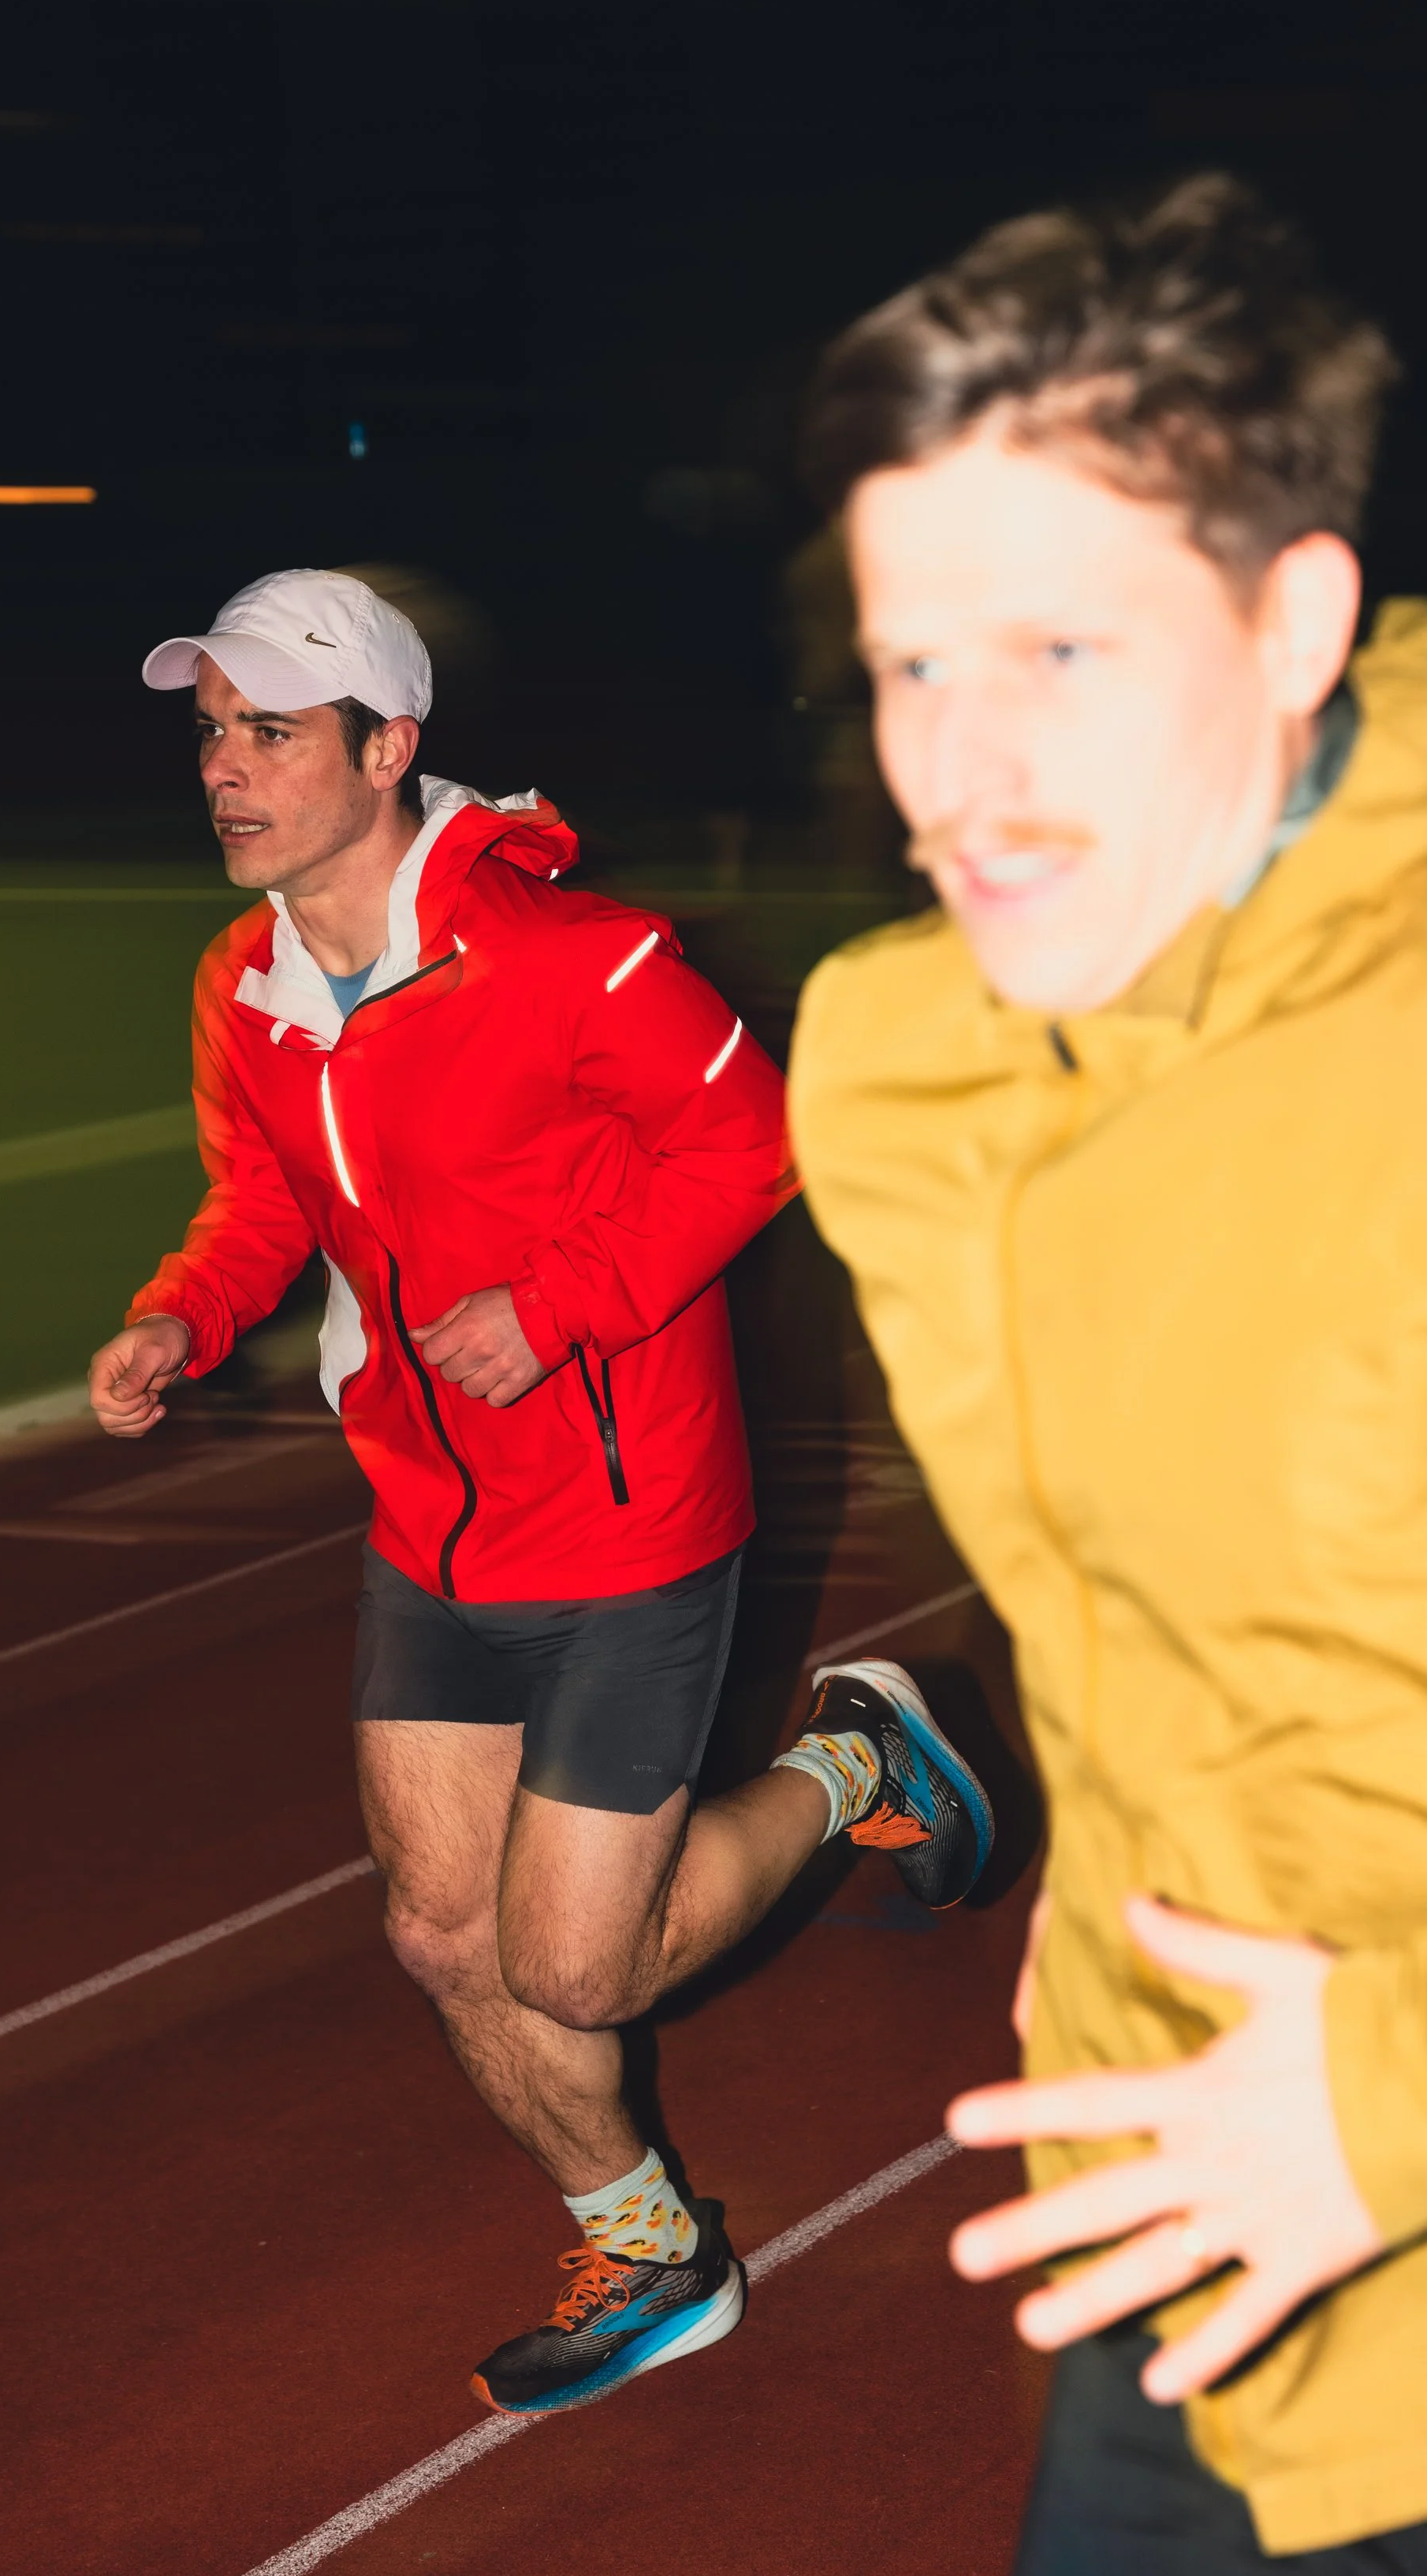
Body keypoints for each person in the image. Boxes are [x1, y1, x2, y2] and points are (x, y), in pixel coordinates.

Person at [785, 177, 1427, 2576]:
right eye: (916, 661)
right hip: (1188, 2239)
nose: (967, 763)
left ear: (1295, 618)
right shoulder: (904, 1067)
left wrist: (1402, 2099)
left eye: (1057, 646)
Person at [87, 565, 990, 2413]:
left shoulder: (587, 959)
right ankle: (652, 2240)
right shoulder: (246, 985)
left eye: (269, 730)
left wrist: (567, 1297)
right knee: (440, 1932)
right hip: (430, 1515)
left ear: (388, 743)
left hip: (627, 1510)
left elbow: (756, 1137)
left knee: (577, 1969)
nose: (226, 769)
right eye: (210, 732)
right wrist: (180, 1316)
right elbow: (263, 1203)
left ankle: (853, 1761)